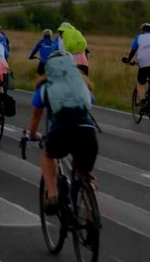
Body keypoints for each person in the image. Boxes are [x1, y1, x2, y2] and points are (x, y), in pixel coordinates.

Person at [25, 50, 98, 214]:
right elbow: (90, 102)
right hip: (87, 130)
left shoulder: (44, 88)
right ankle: (90, 208)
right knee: (84, 169)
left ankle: (52, 196)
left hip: (61, 131)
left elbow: (36, 118)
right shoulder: (82, 84)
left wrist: (32, 135)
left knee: (48, 155)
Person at [122, 22, 150, 109]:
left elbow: (133, 51)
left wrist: (129, 60)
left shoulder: (139, 37)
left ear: (141, 30)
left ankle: (143, 102)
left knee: (140, 82)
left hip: (144, 63)